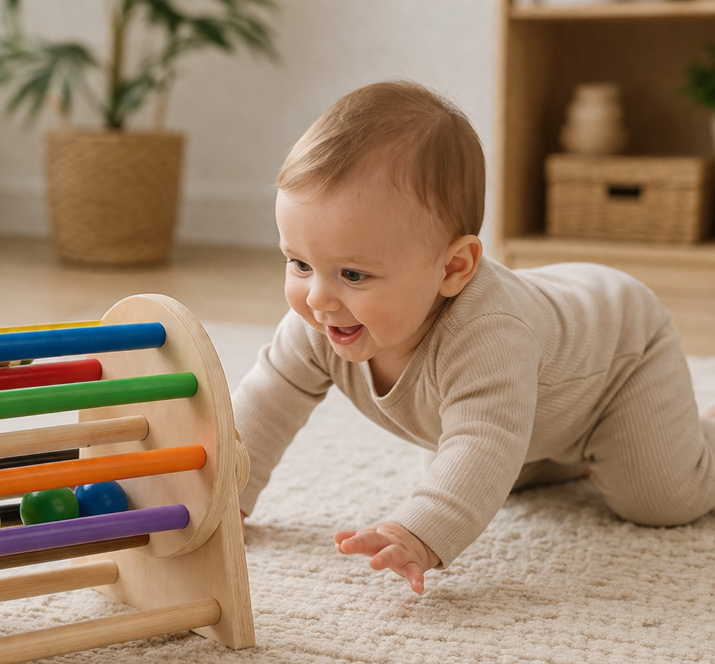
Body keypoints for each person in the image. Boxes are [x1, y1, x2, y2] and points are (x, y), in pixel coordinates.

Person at [232, 80, 715, 594]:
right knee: (495, 474)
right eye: (300, 264)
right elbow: (265, 403)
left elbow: (482, 442)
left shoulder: (488, 335)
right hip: (536, 400)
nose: (318, 298)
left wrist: (420, 532)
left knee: (660, 500)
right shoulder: (320, 320)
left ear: (453, 268)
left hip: (621, 354)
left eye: (353, 274)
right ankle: (567, 453)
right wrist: (226, 499)